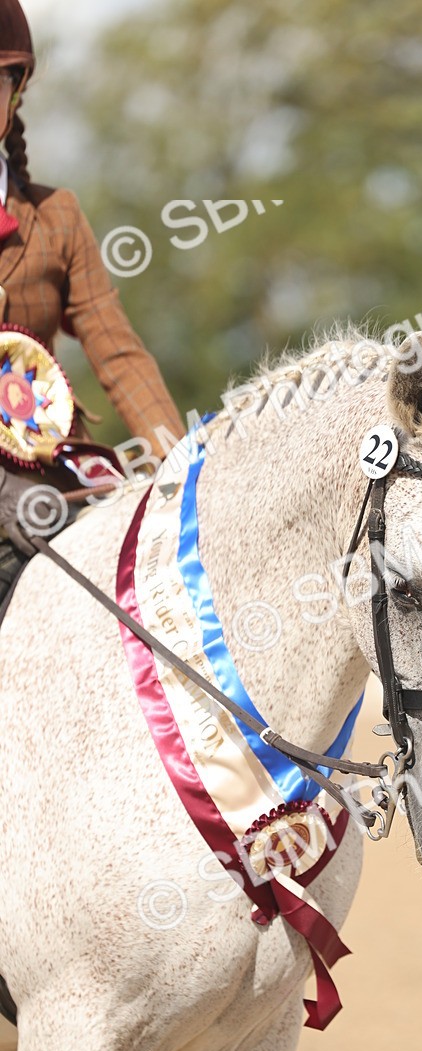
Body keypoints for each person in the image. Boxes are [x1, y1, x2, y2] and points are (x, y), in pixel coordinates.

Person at [0, 0, 184, 601]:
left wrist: (181, 465)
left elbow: (119, 355)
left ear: (15, 91)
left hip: (55, 472)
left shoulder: (58, 216)